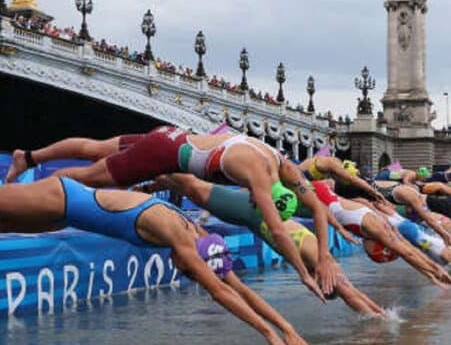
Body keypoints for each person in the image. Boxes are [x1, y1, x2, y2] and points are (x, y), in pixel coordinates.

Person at [0, 176, 322, 345]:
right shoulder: (180, 236)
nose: (182, 272)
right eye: (189, 273)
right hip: (61, 197)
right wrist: (268, 334)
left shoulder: (197, 232)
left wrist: (287, 327)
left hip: (64, 216)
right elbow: (220, 291)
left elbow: (239, 288)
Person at [5, 126, 337, 300]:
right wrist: (304, 274)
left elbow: (317, 209)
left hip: (169, 134)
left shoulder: (280, 163)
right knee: (87, 179)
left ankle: (29, 157)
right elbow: (278, 230)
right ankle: (39, 192)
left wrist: (323, 256)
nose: (253, 201)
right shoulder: (260, 176)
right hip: (163, 153)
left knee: (94, 148)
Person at [137, 174, 385, 316]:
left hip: (253, 212)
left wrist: (380, 313)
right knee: (193, 187)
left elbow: (352, 292)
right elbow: (350, 293)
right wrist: (379, 322)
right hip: (252, 212)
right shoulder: (322, 263)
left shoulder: (317, 260)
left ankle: (149, 183)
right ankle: (149, 177)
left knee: (193, 187)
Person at [311, 180, 451, 287]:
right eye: (371, 254)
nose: (367, 252)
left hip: (326, 195)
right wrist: (433, 272)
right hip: (320, 193)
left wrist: (432, 273)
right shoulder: (379, 226)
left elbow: (409, 252)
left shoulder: (383, 226)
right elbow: (408, 253)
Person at [374, 182, 451, 244]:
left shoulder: (407, 193)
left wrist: (443, 234)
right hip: (422, 203)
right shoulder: (397, 192)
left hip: (430, 203)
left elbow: (429, 219)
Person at [298, 155, 385, 202]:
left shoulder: (320, 159)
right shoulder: (331, 163)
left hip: (298, 180)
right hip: (298, 182)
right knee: (330, 184)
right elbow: (352, 178)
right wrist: (373, 191)